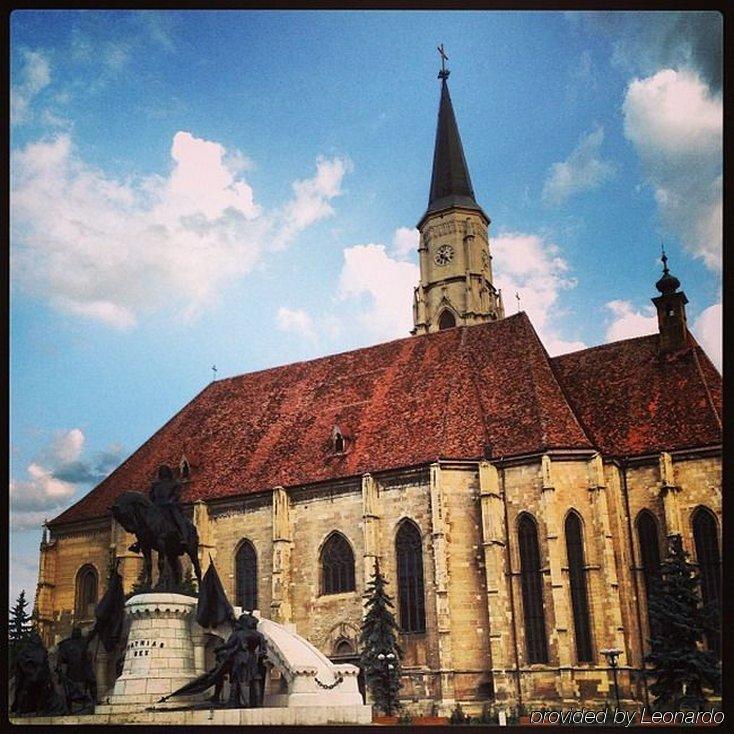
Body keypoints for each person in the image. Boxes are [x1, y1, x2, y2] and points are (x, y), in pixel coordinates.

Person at [56, 626, 97, 713]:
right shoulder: (66, 644)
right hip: (74, 671)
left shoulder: (81, 641)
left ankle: (94, 701)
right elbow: (61, 660)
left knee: (92, 681)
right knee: (68, 689)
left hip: (81, 670)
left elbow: (61, 660)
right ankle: (69, 708)